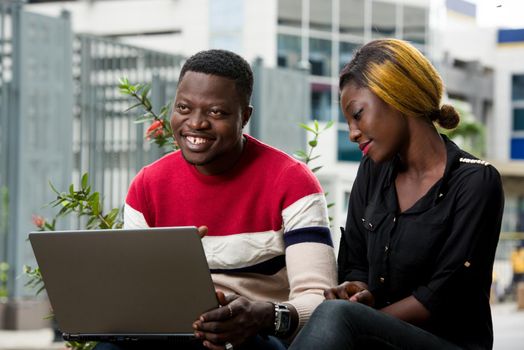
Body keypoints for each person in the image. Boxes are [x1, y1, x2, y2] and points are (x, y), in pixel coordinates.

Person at [94, 49, 337, 350]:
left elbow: (319, 299)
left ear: (244, 116)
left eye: (216, 112)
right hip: (170, 335)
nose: (195, 123)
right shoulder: (148, 185)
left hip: (254, 336)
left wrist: (265, 315)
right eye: (184, 107)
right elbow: (135, 292)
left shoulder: (292, 182)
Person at [289, 39, 504, 350]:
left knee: (335, 317)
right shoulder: (373, 172)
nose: (352, 132)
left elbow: (443, 294)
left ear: (396, 97)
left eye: (358, 115)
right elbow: (357, 263)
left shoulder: (475, 181)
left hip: (449, 342)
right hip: (379, 336)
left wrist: (357, 320)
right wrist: (358, 290)